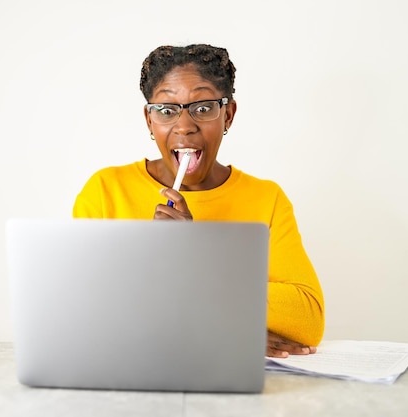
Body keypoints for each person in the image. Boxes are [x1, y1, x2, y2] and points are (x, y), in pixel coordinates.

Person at [73, 44, 324, 358]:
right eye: (166, 110)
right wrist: (220, 326)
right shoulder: (105, 191)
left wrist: (198, 264)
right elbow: (83, 315)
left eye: (203, 108)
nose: (184, 125)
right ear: (150, 121)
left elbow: (307, 320)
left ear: (228, 115)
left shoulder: (267, 199)